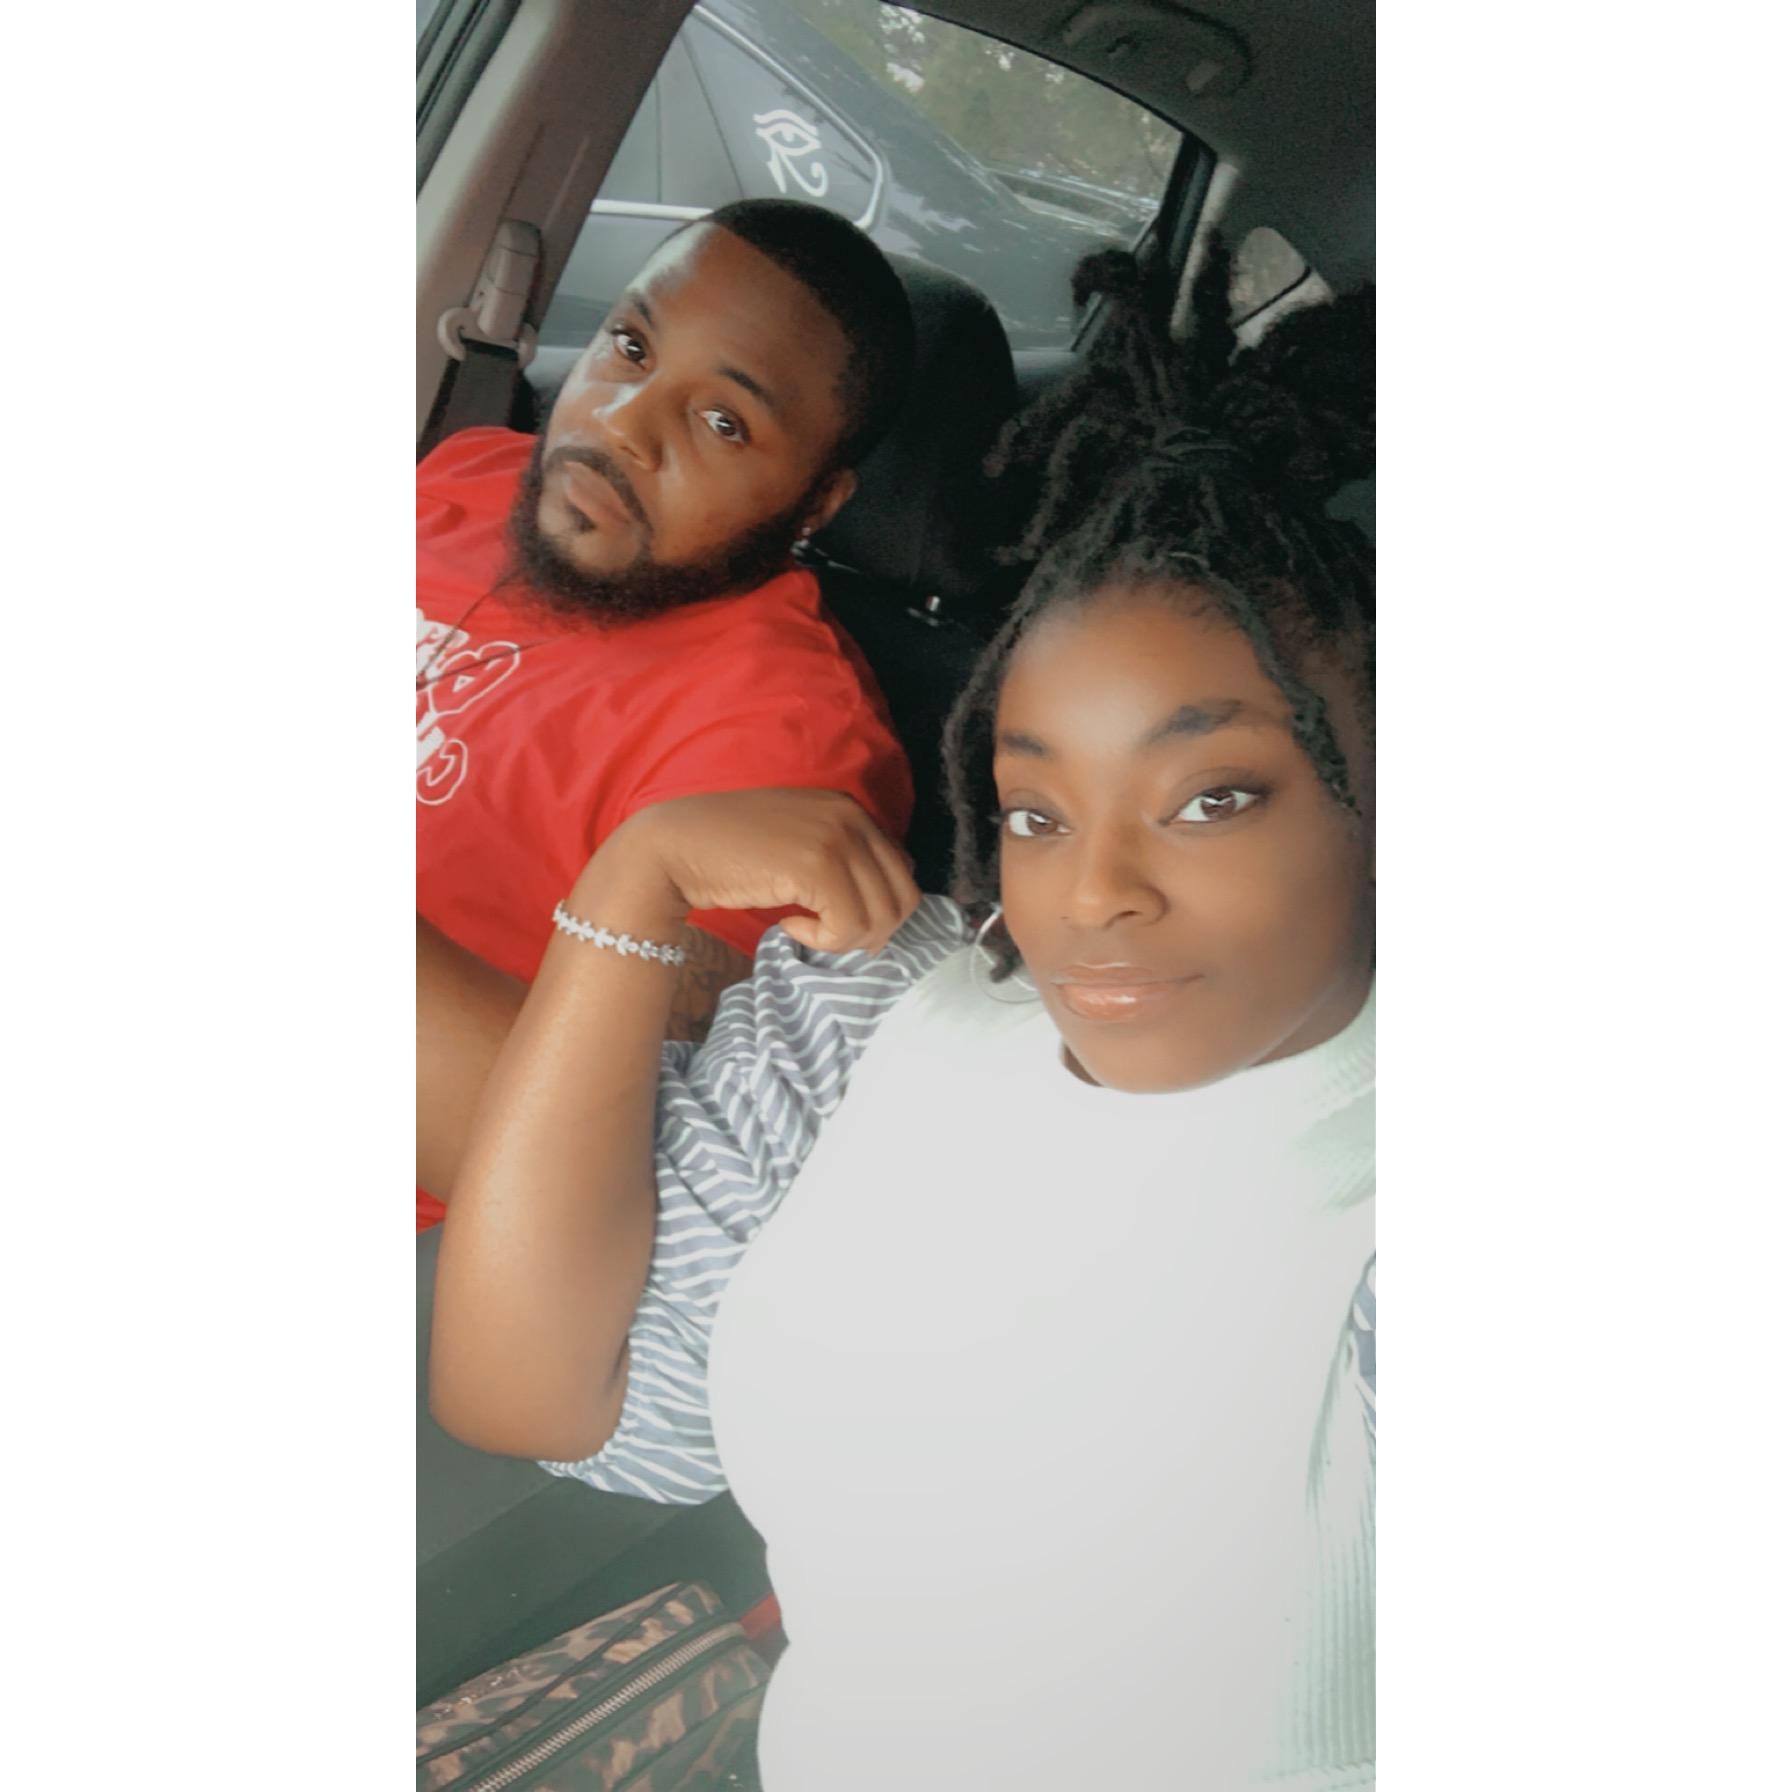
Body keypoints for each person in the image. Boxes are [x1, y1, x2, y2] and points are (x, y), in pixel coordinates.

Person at [430, 244, 1376, 1788]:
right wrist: (637, 874)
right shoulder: (907, 1004)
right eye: (1036, 811)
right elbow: (525, 1392)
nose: (1095, 897)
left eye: (1213, 798)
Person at [416, 199, 918, 1218]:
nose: (619, 423)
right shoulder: (478, 471)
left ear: (816, 502)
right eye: (632, 347)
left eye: (722, 422)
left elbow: (590, 1185)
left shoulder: (787, 738)